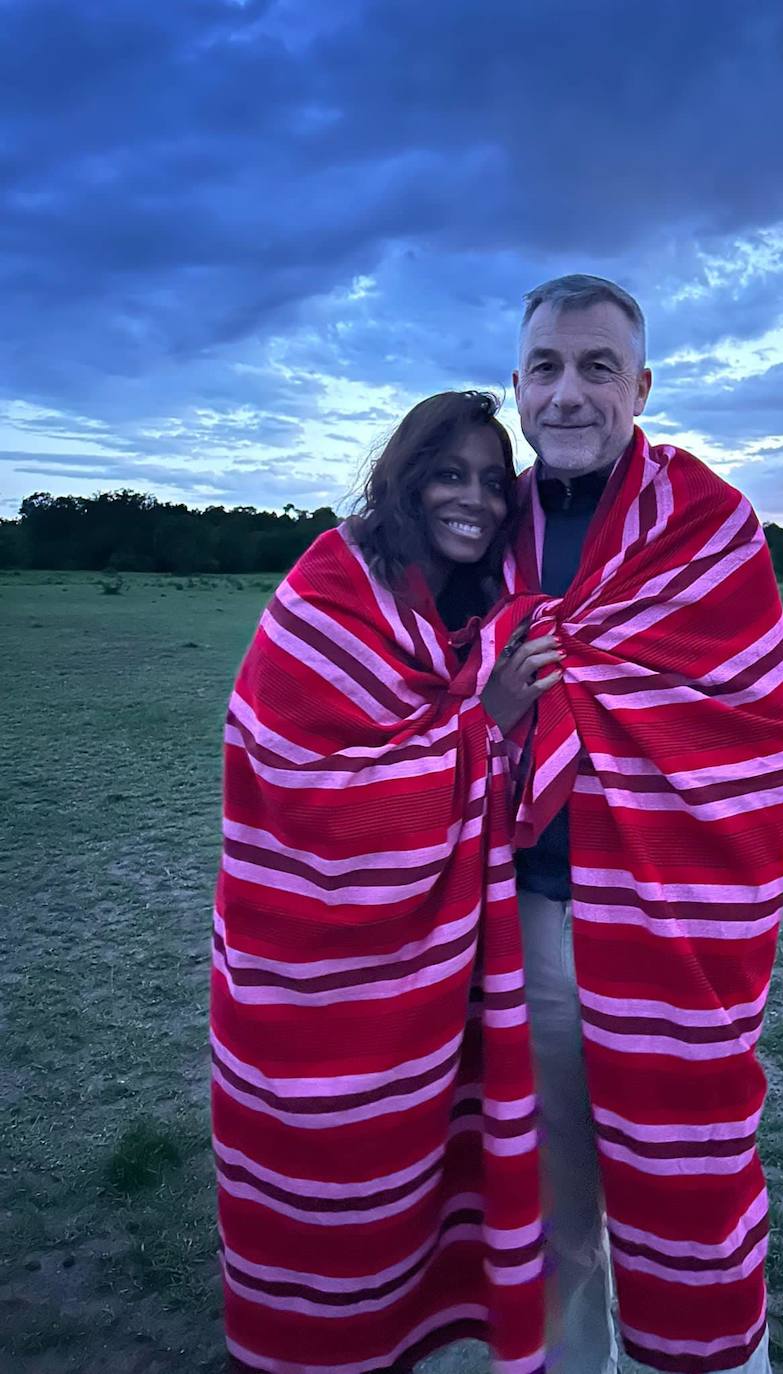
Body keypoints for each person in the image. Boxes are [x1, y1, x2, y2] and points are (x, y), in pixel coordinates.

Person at [486, 275, 783, 1374]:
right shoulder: (480, 533)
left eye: (595, 368)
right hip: (517, 928)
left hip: (673, 932)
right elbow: (423, 717)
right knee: (546, 1219)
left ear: (642, 387)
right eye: (544, 368)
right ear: (515, 386)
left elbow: (752, 731)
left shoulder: (709, 528)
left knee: (694, 1201)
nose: (566, 394)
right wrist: (496, 714)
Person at [210, 390, 561, 1372]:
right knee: (324, 1189)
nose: (476, 500)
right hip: (312, 971)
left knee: (424, 1178)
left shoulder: (480, 608)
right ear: (402, 481)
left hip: (437, 975)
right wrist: (481, 719)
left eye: (495, 482)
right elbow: (301, 784)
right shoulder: (329, 588)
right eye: (448, 474)